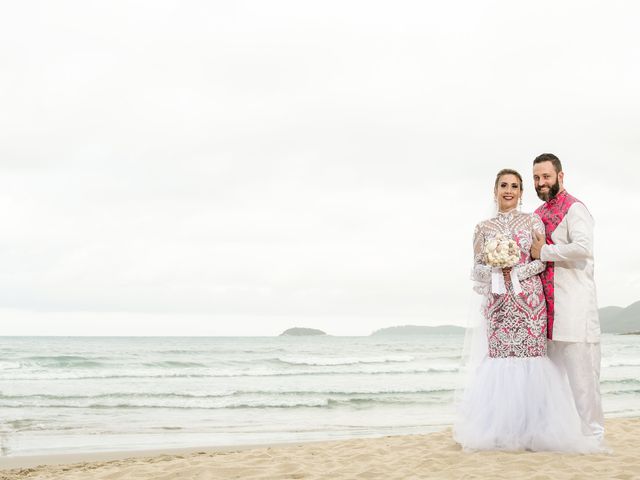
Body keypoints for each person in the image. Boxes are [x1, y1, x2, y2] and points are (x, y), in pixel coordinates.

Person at [453, 168, 600, 452]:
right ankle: (500, 430)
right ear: (494, 190)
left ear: (521, 193)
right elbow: (476, 269)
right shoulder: (482, 228)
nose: (509, 190)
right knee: (499, 364)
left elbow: (540, 261)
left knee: (531, 364)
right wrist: (495, 270)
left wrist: (514, 273)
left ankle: (533, 431)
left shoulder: (533, 221)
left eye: (515, 186)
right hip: (498, 305)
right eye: (504, 185)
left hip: (529, 304)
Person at [530, 153, 604, 443]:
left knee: (583, 381)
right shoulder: (536, 214)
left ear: (560, 176)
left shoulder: (575, 209)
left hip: (574, 310)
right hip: (546, 313)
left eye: (546, 176)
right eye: (536, 178)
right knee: (552, 383)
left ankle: (594, 440)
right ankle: (558, 437)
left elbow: (583, 247)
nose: (541, 182)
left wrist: (545, 252)